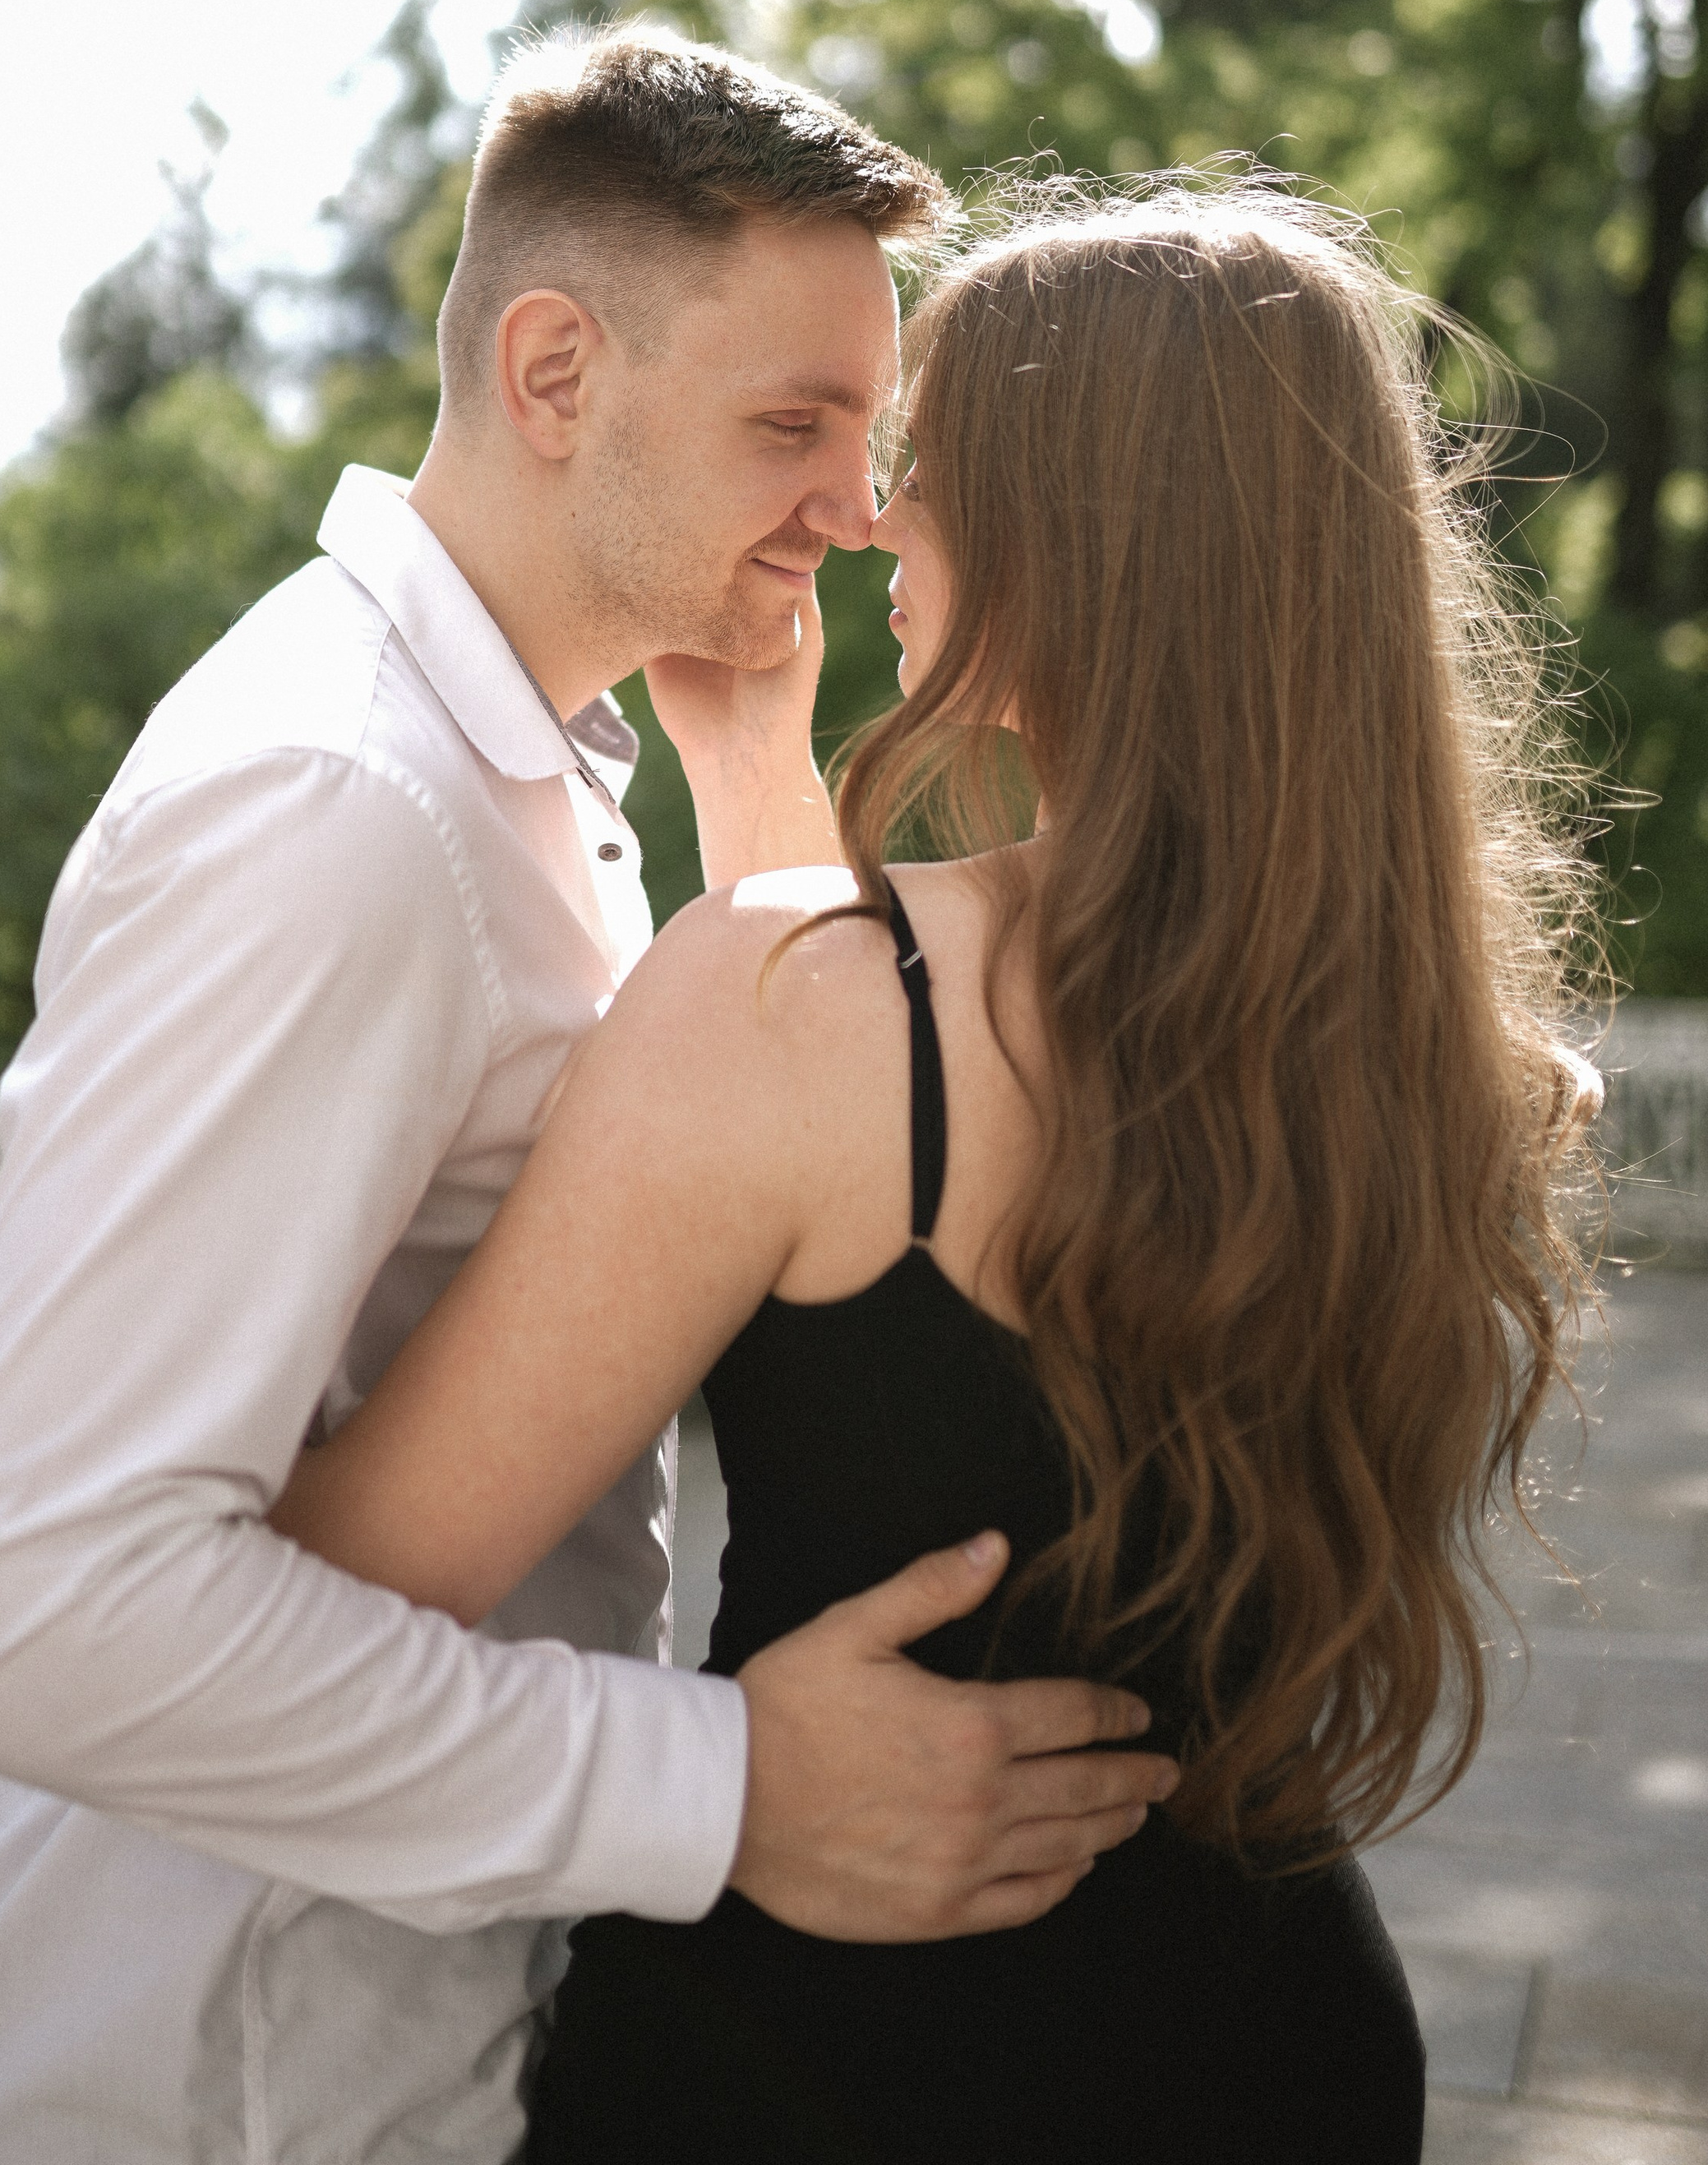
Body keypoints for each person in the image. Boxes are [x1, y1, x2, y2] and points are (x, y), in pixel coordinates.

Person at [0, 33, 1179, 2165]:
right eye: (794, 426)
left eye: (872, 431)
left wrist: (754, 770)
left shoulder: (534, 773)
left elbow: (792, 1121)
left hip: (381, 2025)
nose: (858, 512)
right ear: (557, 377)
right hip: (190, 2079)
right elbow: (39, 1613)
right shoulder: (337, 804)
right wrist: (728, 1788)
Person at [271, 177, 1603, 2163]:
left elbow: (344, 1591)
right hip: (1281, 2052)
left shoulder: (797, 1007)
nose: (874, 516)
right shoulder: (1483, 1076)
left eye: (935, 465)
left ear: (1092, 546)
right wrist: (750, 777)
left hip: (834, 2063)